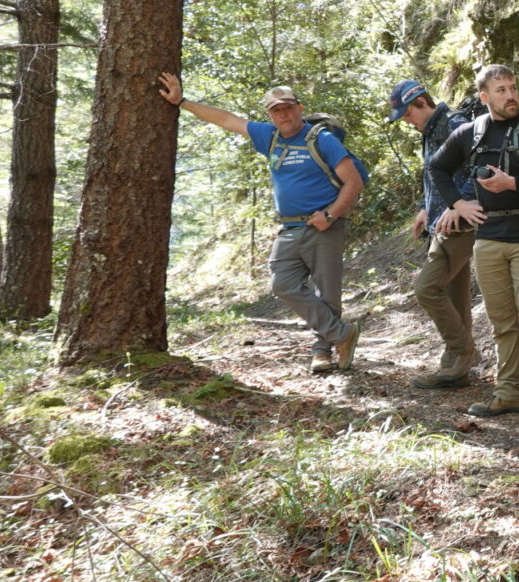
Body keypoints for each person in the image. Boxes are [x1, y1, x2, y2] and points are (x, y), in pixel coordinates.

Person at [158, 74, 362, 374]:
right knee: (283, 284)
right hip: (290, 228)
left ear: (299, 108)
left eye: (288, 108)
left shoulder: (322, 139)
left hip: (324, 225)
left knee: (327, 293)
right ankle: (343, 335)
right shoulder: (270, 137)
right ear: (270, 114)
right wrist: (182, 102)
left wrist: (330, 215)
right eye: (276, 110)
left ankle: (323, 351)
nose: (284, 114)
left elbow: (353, 182)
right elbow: (227, 120)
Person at [427, 65, 519, 421]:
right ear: (485, 97)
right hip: (487, 239)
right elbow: (436, 168)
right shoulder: (469, 133)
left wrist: (513, 184)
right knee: (501, 321)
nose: (511, 95)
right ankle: (508, 393)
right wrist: (458, 203)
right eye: (501, 90)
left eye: (513, 88)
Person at [387, 79, 477, 389]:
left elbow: (480, 167)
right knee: (455, 295)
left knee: (427, 288)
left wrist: (459, 203)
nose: (407, 122)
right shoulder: (430, 132)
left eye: (408, 114)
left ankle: (463, 353)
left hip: (462, 225)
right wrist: (425, 209)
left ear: (420, 103)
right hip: (442, 222)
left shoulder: (455, 124)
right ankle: (456, 368)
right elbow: (437, 175)